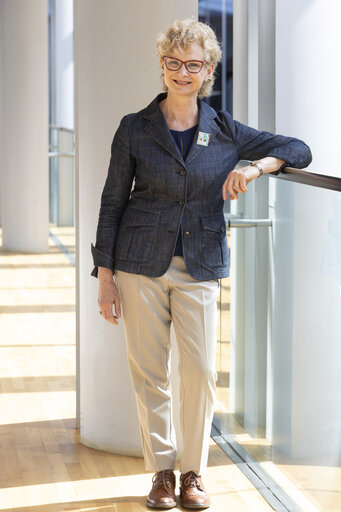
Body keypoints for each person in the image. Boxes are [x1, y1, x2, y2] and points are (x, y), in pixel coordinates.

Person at [91, 18, 312, 510]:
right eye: (173, 63)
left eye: (193, 64)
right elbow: (111, 203)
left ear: (208, 69)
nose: (182, 72)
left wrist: (253, 167)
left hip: (201, 263)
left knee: (200, 373)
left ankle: (194, 472)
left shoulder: (225, 129)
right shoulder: (135, 127)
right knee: (150, 373)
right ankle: (163, 474)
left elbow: (297, 149)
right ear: (162, 66)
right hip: (138, 263)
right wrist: (105, 278)